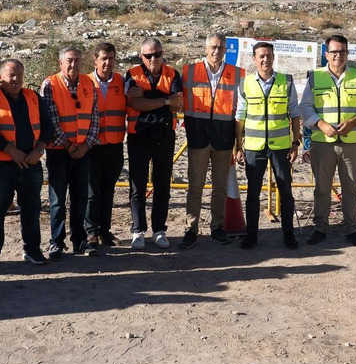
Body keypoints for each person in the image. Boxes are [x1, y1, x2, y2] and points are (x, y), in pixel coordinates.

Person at [0, 58, 53, 269]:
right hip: (0, 167)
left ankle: (32, 250)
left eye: (19, 75)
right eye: (11, 75)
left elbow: (48, 127)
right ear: (0, 77)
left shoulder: (33, 97)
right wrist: (12, 151)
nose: (16, 79)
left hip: (31, 165)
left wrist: (38, 151)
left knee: (31, 210)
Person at [303, 34, 356, 245]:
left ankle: (352, 228)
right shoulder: (315, 77)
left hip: (350, 143)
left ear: (347, 53)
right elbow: (305, 107)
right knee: (322, 188)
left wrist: (354, 122)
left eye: (342, 51)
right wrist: (321, 124)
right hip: (322, 143)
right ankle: (320, 227)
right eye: (333, 52)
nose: (338, 56)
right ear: (326, 55)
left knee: (351, 188)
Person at [235, 41, 301, 249]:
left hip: (281, 147)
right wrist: (238, 146)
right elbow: (240, 116)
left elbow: (295, 113)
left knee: (285, 190)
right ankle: (251, 234)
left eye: (269, 55)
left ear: (274, 57)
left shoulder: (286, 81)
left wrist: (295, 142)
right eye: (261, 56)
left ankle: (288, 233)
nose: (265, 59)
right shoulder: (245, 83)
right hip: (254, 147)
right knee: (253, 193)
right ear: (254, 59)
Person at [181, 33, 241, 248]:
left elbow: (241, 111)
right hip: (198, 138)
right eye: (213, 47)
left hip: (224, 140)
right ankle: (191, 229)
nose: (217, 51)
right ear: (205, 48)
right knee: (195, 187)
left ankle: (217, 227)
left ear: (226, 49)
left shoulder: (237, 74)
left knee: (220, 188)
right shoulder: (188, 72)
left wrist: (239, 143)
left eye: (221, 47)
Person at [39, 46, 99, 257]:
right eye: (69, 61)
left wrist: (85, 145)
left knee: (80, 197)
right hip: (58, 151)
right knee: (57, 200)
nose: (73, 65)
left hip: (82, 152)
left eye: (77, 60)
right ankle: (56, 241)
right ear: (60, 63)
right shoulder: (50, 84)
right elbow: (51, 121)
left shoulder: (89, 84)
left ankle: (79, 240)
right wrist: (69, 145)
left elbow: (94, 119)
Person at [124, 37, 182, 250]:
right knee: (137, 187)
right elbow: (133, 102)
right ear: (142, 56)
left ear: (162, 54)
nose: (153, 59)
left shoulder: (173, 74)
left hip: (165, 136)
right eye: (148, 55)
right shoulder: (132, 74)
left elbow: (177, 104)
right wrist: (165, 100)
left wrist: (148, 97)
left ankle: (159, 230)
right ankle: (138, 231)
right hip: (139, 136)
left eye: (157, 54)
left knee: (162, 187)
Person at [85, 43, 127, 253]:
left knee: (108, 191)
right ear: (95, 60)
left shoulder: (122, 81)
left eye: (110, 58)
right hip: (93, 145)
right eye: (103, 58)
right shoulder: (86, 82)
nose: (107, 63)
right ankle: (90, 231)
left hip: (115, 145)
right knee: (92, 192)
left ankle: (104, 230)